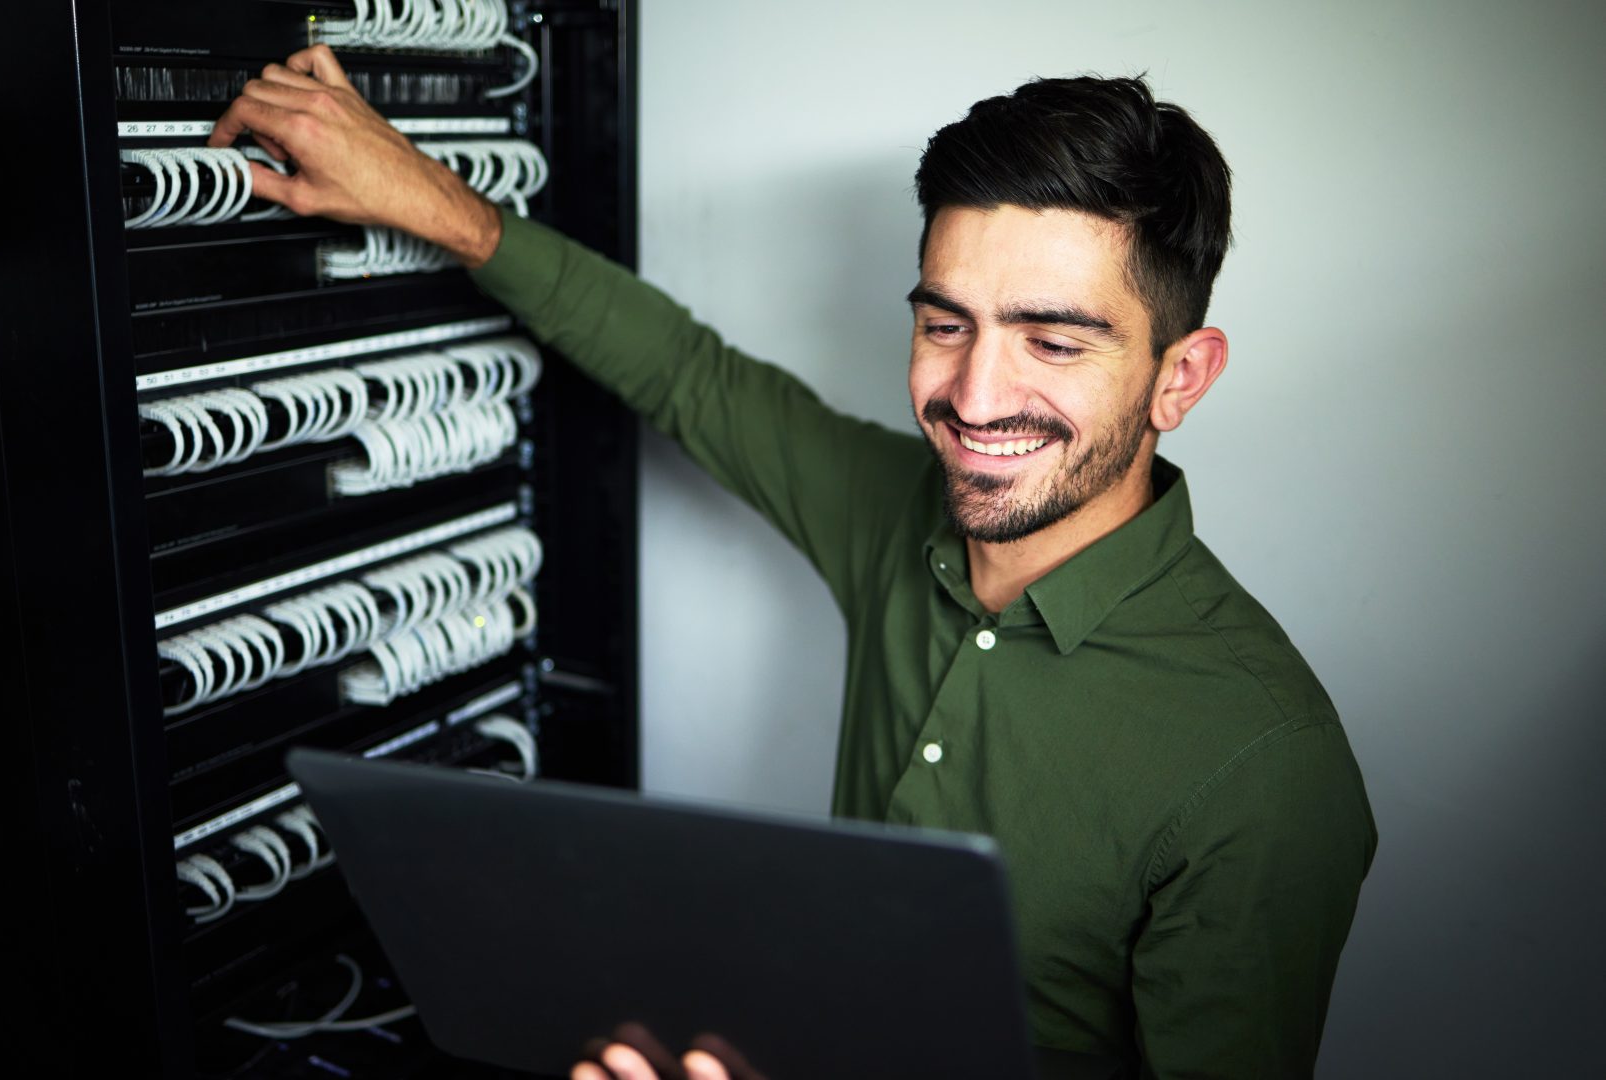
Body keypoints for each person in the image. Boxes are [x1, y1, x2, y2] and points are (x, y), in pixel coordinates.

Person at [212, 46, 1377, 1080]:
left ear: (1179, 376)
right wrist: (429, 198)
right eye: (944, 322)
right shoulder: (898, 508)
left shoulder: (1263, 770)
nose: (971, 396)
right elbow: (690, 375)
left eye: (1052, 340)